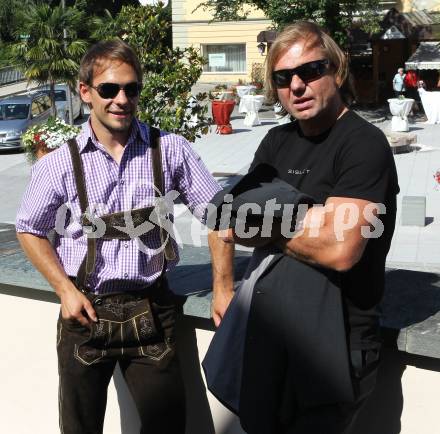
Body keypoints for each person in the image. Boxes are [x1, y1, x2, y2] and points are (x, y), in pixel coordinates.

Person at [16, 39, 233, 434]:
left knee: (166, 426)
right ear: (85, 92)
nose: (121, 99)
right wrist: (64, 288)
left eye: (131, 89)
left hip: (152, 310)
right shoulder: (60, 164)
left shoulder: (170, 150)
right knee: (80, 428)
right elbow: (29, 228)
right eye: (109, 89)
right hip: (86, 311)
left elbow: (220, 214)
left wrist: (223, 286)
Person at [212, 21, 399, 433]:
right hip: (269, 333)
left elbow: (339, 249)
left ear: (336, 69)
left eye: (310, 71)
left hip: (334, 348)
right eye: (283, 78)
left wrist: (267, 225)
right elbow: (224, 217)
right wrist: (223, 286)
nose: (297, 85)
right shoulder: (276, 142)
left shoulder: (363, 144)